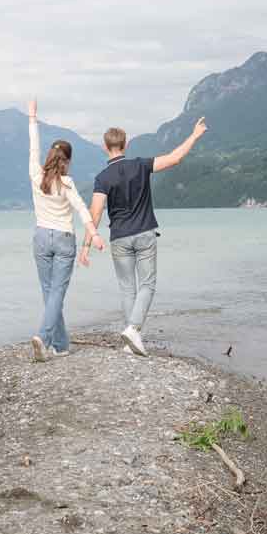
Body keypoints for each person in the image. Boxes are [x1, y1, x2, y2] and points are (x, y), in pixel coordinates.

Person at [89, 115, 207, 356]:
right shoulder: (140, 165)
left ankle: (131, 340)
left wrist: (87, 241)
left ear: (105, 146)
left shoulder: (102, 178)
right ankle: (133, 329)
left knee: (126, 288)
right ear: (126, 144)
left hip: (119, 237)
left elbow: (96, 212)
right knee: (148, 285)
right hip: (144, 233)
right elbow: (175, 158)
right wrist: (194, 135)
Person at [27, 99, 105, 362]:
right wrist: (93, 235)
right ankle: (44, 338)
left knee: (49, 292)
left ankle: (60, 344)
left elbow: (32, 148)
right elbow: (83, 210)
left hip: (40, 238)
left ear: (49, 157)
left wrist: (32, 119)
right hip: (63, 240)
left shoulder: (36, 176)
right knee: (57, 293)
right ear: (67, 161)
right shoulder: (67, 183)